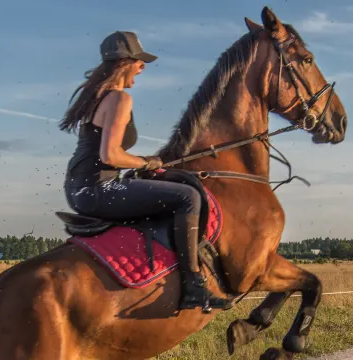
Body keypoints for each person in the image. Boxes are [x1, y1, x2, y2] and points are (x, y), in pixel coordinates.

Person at [59, 31, 230, 312]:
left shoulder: (96, 97)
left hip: (81, 187)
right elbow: (110, 154)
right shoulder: (118, 99)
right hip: (99, 189)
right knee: (188, 197)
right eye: (139, 61)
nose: (143, 66)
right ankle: (194, 287)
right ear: (125, 61)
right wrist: (146, 162)